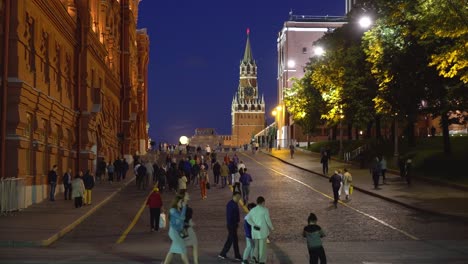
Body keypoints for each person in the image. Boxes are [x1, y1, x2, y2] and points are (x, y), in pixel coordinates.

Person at [246, 196, 274, 264]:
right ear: (263, 202)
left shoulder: (253, 210)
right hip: (262, 232)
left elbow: (248, 219)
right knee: (262, 247)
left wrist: (253, 224)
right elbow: (268, 220)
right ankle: (261, 260)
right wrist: (272, 228)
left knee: (256, 246)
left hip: (255, 232)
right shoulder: (265, 210)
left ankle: (254, 257)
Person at [163, 195, 189, 264]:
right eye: (180, 202)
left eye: (182, 202)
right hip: (173, 232)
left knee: (172, 251)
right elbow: (182, 218)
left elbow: (181, 221)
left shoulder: (178, 210)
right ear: (176, 203)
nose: (181, 203)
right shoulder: (172, 210)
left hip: (178, 232)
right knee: (182, 249)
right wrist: (184, 206)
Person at [218, 192, 243, 261]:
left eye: (239, 197)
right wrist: (233, 225)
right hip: (232, 225)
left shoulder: (234, 203)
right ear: (233, 196)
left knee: (231, 240)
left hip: (233, 225)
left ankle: (223, 254)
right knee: (234, 241)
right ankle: (236, 256)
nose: (239, 198)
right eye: (238, 197)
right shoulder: (230, 204)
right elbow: (229, 216)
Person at [182, 193, 199, 264]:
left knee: (193, 245)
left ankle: (195, 262)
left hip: (185, 229)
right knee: (182, 248)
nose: (188, 196)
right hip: (184, 230)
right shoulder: (188, 209)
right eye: (186, 195)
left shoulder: (187, 209)